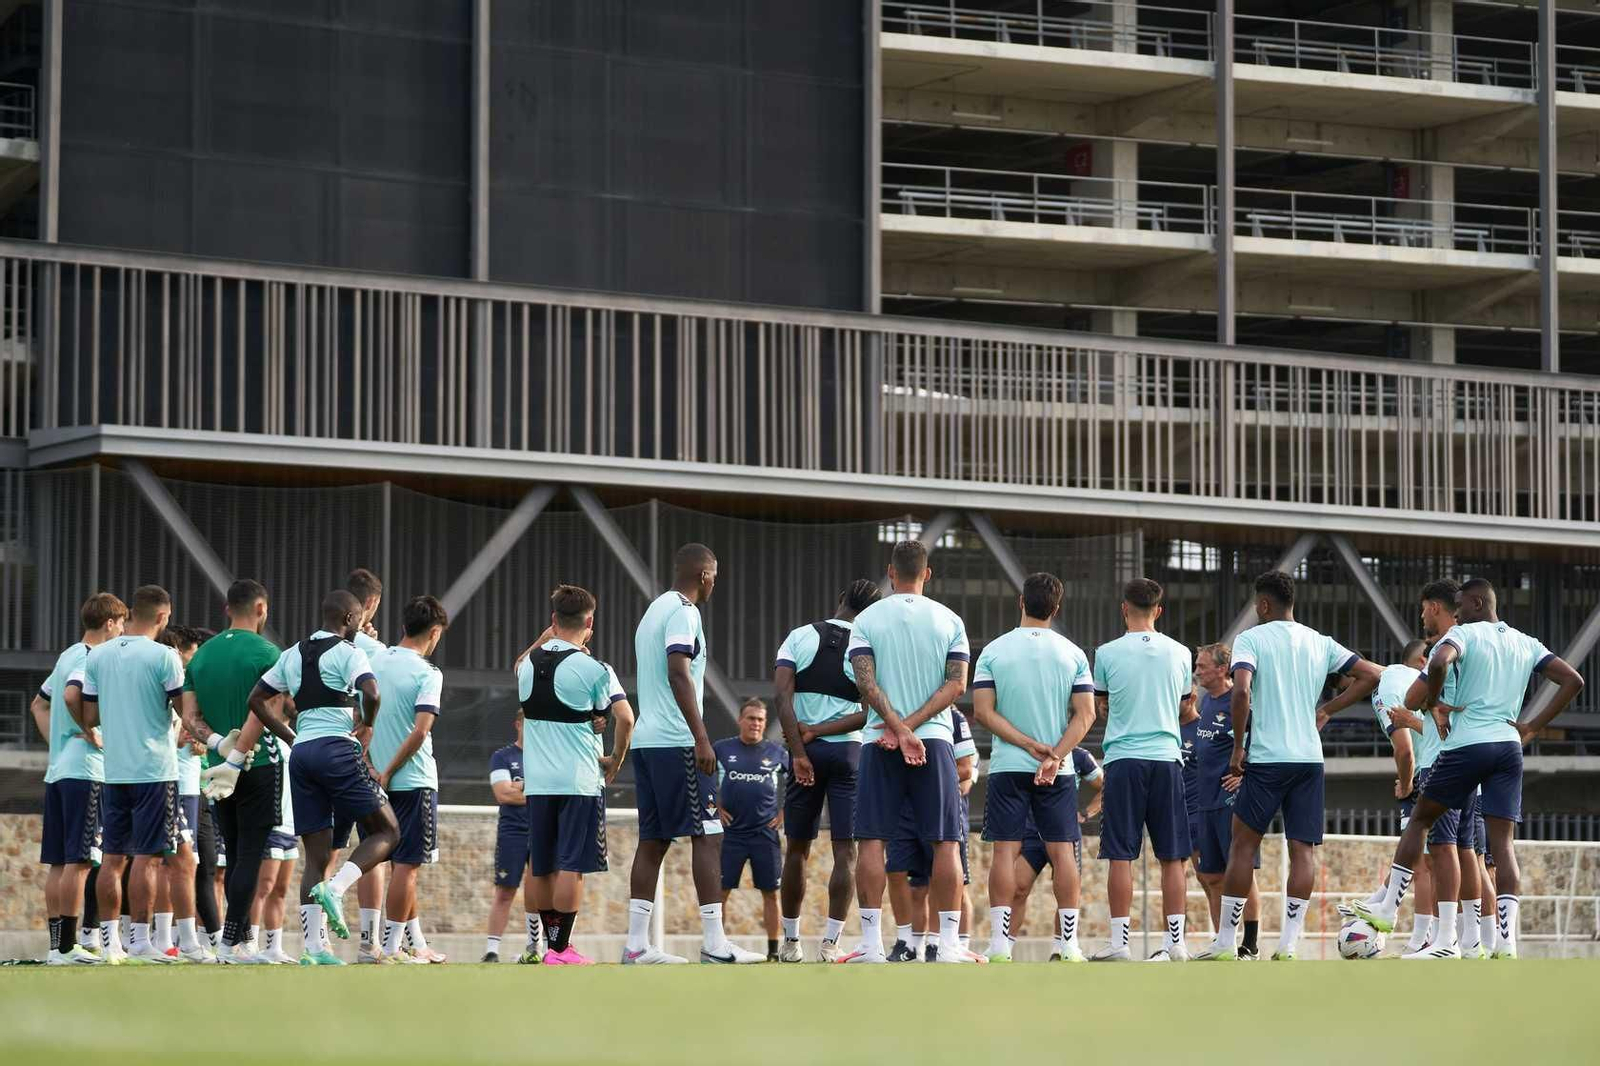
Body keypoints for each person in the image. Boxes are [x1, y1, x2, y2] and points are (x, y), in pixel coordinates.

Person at [1352, 578, 1585, 960]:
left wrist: (1435, 700)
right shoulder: (1525, 642)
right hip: (1509, 746)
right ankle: (1506, 944)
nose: (1457, 613)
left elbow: (1436, 668)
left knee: (1420, 821)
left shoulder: (1464, 636)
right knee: (1502, 846)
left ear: (1478, 602)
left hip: (1467, 746)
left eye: (1462, 605)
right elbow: (1572, 680)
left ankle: (1388, 908)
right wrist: (1532, 726)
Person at [1199, 570, 1381, 961]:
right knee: (1303, 851)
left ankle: (1227, 943)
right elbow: (1370, 674)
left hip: (1266, 758)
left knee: (1242, 847)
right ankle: (1289, 945)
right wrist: (1328, 710)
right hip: (1309, 760)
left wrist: (1236, 752)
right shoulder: (1320, 641)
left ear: (1264, 604)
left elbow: (1242, 689)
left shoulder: (1251, 639)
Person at [624, 544, 762, 964]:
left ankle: (635, 946)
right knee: (709, 834)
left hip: (647, 741)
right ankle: (714, 944)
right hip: (676, 740)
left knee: (653, 840)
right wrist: (701, 738)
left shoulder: (653, 611)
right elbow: (678, 671)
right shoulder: (685, 611)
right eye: (714, 575)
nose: (714, 583)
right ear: (704, 575)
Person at [248, 589, 399, 966]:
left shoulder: (291, 654)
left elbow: (256, 699)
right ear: (349, 620)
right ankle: (336, 887)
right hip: (337, 750)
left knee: (315, 854)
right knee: (388, 832)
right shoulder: (350, 653)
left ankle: (314, 950)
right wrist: (366, 724)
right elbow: (373, 692)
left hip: (302, 756)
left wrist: (291, 736)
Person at [842, 539, 970, 965]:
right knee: (945, 842)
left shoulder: (867, 619)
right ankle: (949, 946)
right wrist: (913, 728)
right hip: (934, 739)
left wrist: (896, 728)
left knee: (872, 841)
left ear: (890, 573)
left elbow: (865, 682)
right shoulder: (949, 619)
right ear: (927, 573)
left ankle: (873, 946)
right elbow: (956, 685)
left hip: (881, 740)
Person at [971, 572, 1096, 964]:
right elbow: (1086, 715)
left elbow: (982, 713)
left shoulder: (993, 651)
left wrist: (1026, 745)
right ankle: (1070, 945)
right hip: (1056, 770)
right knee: (1064, 853)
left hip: (1009, 765)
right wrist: (1055, 755)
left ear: (1021, 602)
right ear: (1056, 609)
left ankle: (999, 946)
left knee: (1004, 855)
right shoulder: (1073, 653)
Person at [66, 584, 187, 964]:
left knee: (114, 857)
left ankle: (109, 942)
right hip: (154, 771)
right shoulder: (165, 656)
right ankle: (139, 940)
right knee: (149, 858)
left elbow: (85, 710)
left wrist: (100, 722)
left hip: (114, 771)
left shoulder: (98, 656)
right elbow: (185, 710)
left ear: (132, 613)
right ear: (163, 617)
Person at [519, 584, 635, 965]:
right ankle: (561, 949)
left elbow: (525, 660)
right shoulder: (595, 669)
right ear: (590, 622)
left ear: (553, 620)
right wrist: (616, 759)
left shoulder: (526, 666)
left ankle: (544, 947)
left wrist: (545, 637)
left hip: (538, 781)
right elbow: (624, 717)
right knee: (572, 864)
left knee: (543, 863)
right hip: (580, 780)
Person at [772, 579, 881, 963]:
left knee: (797, 849)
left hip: (806, 752)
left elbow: (781, 697)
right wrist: (824, 729)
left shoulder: (800, 636)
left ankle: (790, 942)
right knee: (845, 851)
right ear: (869, 614)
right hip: (849, 754)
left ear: (839, 600)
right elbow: (869, 712)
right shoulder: (868, 648)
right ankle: (831, 944)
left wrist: (801, 749)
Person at [1089, 578, 1196, 963]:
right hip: (1167, 758)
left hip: (1123, 760)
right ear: (1159, 610)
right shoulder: (1181, 653)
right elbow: (1186, 708)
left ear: (1124, 608)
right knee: (1173, 857)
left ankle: (1120, 943)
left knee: (1121, 854)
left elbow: (1101, 705)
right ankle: (1177, 944)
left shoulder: (1106, 653)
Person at [181, 578, 282, 963]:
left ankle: (232, 942)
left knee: (235, 853)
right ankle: (231, 944)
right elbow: (270, 710)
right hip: (259, 763)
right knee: (250, 856)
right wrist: (241, 750)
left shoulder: (202, 656)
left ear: (227, 609)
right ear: (261, 609)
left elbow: (190, 718)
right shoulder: (268, 652)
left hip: (215, 767)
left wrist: (218, 745)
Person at [33, 592, 127, 964]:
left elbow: (38, 705)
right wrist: (88, 729)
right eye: (121, 623)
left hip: (59, 768)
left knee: (60, 861)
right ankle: (69, 947)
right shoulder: (92, 657)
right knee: (81, 860)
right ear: (109, 623)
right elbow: (74, 697)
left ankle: (57, 946)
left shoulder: (66, 654)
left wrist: (57, 743)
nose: (122, 630)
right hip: (85, 770)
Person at [369, 595, 451, 965]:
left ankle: (413, 943)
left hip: (376, 779)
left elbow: (363, 719)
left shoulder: (375, 660)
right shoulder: (428, 673)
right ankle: (389, 948)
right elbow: (420, 733)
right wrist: (388, 770)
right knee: (408, 867)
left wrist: (373, 766)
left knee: (400, 866)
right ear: (434, 633)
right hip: (414, 780)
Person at [1344, 637, 1435, 954]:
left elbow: (1405, 751)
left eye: (1344, 685)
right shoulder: (1410, 677)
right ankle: (1464, 938)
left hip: (1429, 772)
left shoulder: (1384, 688)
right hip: (1456, 767)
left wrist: (1406, 785)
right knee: (1453, 858)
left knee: (1424, 862)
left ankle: (1423, 939)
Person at [1191, 643, 1261, 959]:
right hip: (1205, 799)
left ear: (1222, 669)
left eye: (1203, 665)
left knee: (1242, 872)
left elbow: (1259, 742)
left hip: (1230, 799)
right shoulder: (1206, 701)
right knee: (1212, 876)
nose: (1197, 670)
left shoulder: (1239, 700)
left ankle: (1251, 943)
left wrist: (1245, 776)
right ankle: (1224, 943)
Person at [156, 625, 214, 962]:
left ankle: (171, 938)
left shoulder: (180, 680)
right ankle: (169, 938)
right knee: (177, 861)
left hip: (187, 785)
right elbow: (178, 736)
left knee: (180, 862)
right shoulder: (171, 676)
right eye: (192, 653)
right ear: (179, 649)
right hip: (174, 783)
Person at [1011, 748, 1102, 960]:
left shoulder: (1079, 756)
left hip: (1063, 833)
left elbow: (1105, 785)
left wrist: (1086, 813)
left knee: (1066, 894)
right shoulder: (1029, 750)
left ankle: (1060, 949)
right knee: (1018, 888)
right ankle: (1004, 947)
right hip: (1032, 833)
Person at [715, 699, 789, 960]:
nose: (755, 723)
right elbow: (702, 776)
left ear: (764, 723)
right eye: (750, 718)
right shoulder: (722, 749)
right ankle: (718, 946)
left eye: (760, 719)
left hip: (764, 836)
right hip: (732, 835)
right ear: (740, 720)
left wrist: (784, 812)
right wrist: (714, 807)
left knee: (771, 894)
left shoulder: (777, 752)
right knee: (720, 893)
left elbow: (800, 782)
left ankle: (772, 951)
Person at [345, 567, 389, 956]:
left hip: (318, 753)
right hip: (361, 760)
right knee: (377, 843)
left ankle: (316, 940)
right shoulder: (376, 652)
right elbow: (382, 702)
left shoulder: (314, 644)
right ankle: (369, 942)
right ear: (371, 603)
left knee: (323, 850)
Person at [483, 709, 542, 964]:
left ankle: (536, 946)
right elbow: (503, 794)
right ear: (518, 724)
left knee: (539, 890)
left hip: (542, 830)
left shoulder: (546, 756)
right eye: (530, 724)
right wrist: (537, 790)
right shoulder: (502, 756)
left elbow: (516, 790)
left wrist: (519, 785)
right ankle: (492, 950)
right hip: (512, 832)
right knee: (505, 891)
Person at [251, 743, 299, 964]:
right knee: (264, 887)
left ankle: (274, 947)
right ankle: (250, 944)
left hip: (291, 826)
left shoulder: (294, 740)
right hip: (272, 825)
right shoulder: (269, 740)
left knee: (280, 890)